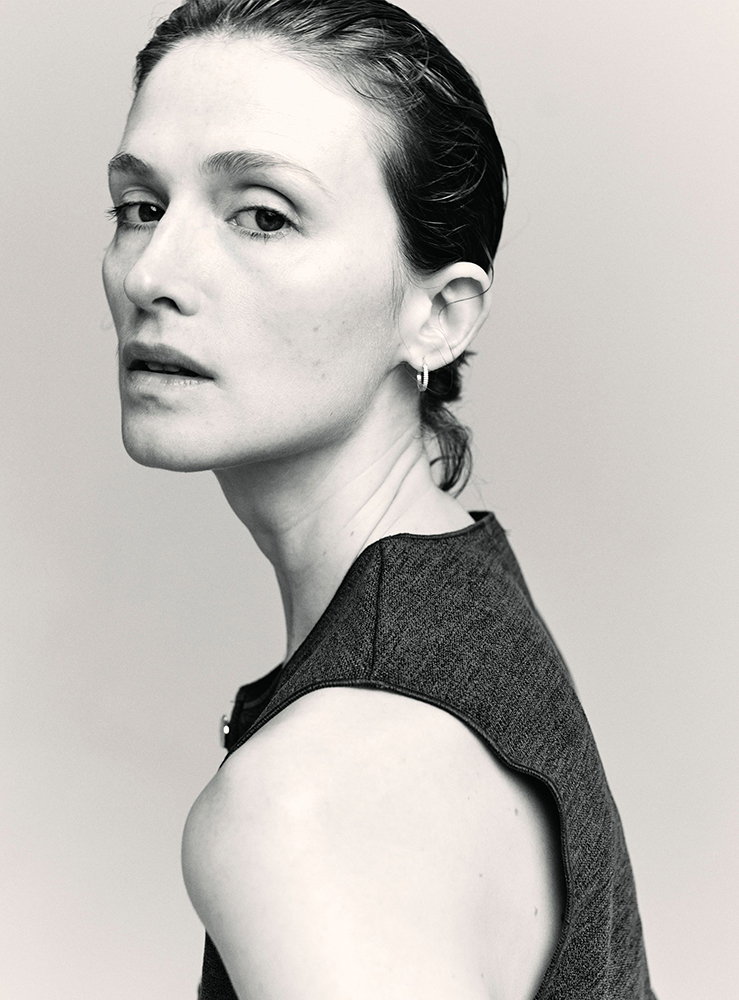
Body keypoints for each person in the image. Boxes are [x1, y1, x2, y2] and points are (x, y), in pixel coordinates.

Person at [102, 1, 655, 997]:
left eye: (262, 215)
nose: (151, 273)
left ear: (438, 315)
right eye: (141, 206)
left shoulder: (306, 810)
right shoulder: (460, 585)